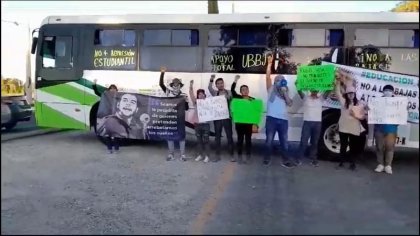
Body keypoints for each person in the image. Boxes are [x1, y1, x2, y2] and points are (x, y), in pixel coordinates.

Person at [264, 55, 294, 167]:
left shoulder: (285, 91)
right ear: (275, 82)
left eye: (282, 80)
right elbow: (267, 78)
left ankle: (285, 160)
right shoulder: (270, 89)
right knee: (269, 141)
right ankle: (267, 158)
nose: (280, 81)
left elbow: (290, 103)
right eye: (278, 80)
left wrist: (285, 92)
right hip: (271, 119)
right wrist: (269, 64)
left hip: (283, 120)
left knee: (284, 143)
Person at [295, 81, 332, 167]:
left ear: (318, 91)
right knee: (303, 142)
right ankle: (299, 158)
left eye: (316, 91)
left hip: (317, 123)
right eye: (313, 90)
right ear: (310, 91)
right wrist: (297, 84)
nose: (314, 92)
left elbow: (328, 91)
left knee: (314, 142)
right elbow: (299, 91)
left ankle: (313, 159)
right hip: (307, 123)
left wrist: (331, 85)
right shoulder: (306, 98)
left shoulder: (321, 99)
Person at [334, 70, 364, 170]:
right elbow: (337, 92)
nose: (351, 95)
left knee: (353, 146)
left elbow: (362, 117)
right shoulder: (343, 102)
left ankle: (352, 163)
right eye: (349, 93)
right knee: (343, 146)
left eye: (353, 93)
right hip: (343, 127)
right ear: (346, 94)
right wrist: (338, 82)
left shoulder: (359, 103)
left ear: (355, 94)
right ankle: (341, 162)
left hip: (354, 128)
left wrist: (355, 115)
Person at [159, 66, 189, 161]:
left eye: (178, 84)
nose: (176, 86)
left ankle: (182, 155)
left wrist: (185, 101)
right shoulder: (168, 92)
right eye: (174, 84)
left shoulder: (184, 95)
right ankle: (171, 154)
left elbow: (187, 108)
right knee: (170, 136)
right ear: (172, 86)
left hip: (180, 118)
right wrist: (162, 73)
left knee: (181, 136)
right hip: (170, 118)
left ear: (180, 85)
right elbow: (161, 84)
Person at [373, 84, 400, 174]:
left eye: (389, 90)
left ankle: (388, 166)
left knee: (390, 148)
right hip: (379, 128)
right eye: (386, 90)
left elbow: (401, 115)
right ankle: (380, 164)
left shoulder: (398, 103)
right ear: (383, 92)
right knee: (379, 147)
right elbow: (372, 112)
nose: (387, 92)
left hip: (391, 129)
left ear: (392, 92)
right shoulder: (377, 101)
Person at [208, 74, 234, 162]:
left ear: (223, 84)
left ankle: (231, 155)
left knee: (229, 137)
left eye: (221, 83)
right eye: (218, 83)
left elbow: (234, 103)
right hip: (218, 118)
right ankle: (217, 155)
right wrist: (211, 79)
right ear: (216, 85)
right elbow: (209, 88)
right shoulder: (215, 93)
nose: (220, 85)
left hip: (227, 118)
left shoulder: (229, 92)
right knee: (217, 137)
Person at [231, 75, 255, 164]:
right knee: (240, 140)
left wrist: (255, 124)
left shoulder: (253, 100)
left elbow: (255, 113)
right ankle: (239, 156)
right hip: (240, 124)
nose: (245, 91)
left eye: (246, 89)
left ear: (248, 91)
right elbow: (232, 91)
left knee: (248, 140)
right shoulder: (238, 98)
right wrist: (235, 81)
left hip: (249, 124)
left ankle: (248, 157)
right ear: (241, 92)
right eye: (243, 90)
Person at [93, 79, 120, 154]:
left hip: (115, 118)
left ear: (116, 90)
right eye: (111, 88)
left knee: (116, 134)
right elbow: (97, 92)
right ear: (109, 89)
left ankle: (116, 148)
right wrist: (94, 84)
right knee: (107, 134)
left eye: (114, 88)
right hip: (107, 117)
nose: (113, 90)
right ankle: (109, 149)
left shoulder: (119, 97)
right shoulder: (105, 95)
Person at [189, 80, 210, 163]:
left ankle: (207, 156)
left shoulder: (208, 102)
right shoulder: (196, 103)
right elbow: (191, 94)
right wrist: (191, 85)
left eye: (202, 93)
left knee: (206, 141)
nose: (200, 95)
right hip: (197, 125)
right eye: (199, 94)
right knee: (199, 141)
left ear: (204, 95)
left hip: (206, 125)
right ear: (197, 95)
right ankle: (200, 155)